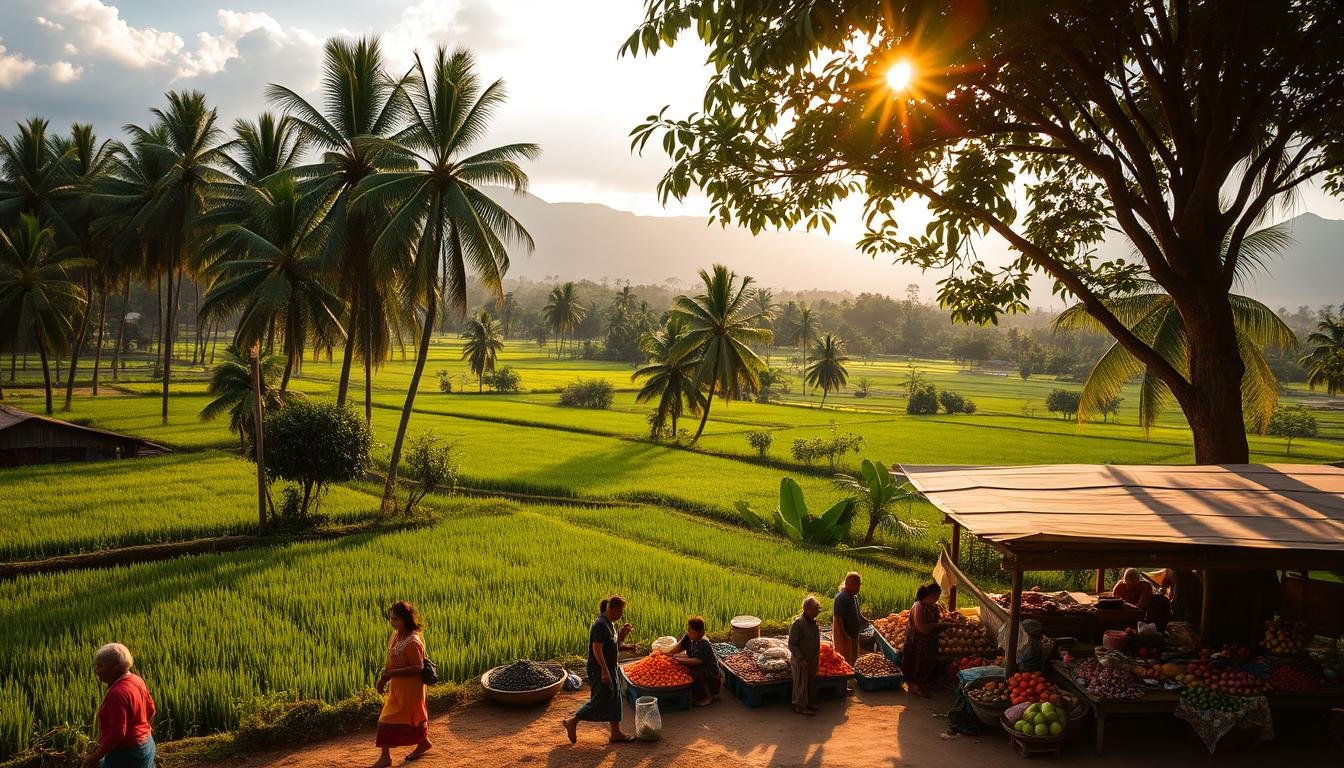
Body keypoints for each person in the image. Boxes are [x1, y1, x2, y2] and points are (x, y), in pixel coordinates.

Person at [563, 595, 639, 745]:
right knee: (601, 699)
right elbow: (597, 649)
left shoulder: (610, 624)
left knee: (615, 700)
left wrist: (624, 640)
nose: (621, 615)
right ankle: (573, 721)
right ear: (611, 608)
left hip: (610, 667)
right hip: (599, 669)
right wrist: (604, 670)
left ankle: (615, 733)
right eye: (620, 611)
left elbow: (611, 646)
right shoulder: (600, 625)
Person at [371, 601, 431, 768]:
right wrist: (383, 680)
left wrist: (391, 674)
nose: (392, 622)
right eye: (391, 618)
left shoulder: (413, 641)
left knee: (388, 719)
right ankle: (424, 743)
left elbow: (417, 668)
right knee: (411, 717)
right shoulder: (397, 635)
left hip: (411, 688)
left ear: (405, 619)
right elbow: (391, 661)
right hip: (398, 687)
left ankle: (385, 757)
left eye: (396, 619)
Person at [85, 643, 155, 768]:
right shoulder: (136, 679)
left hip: (129, 754)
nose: (97, 670)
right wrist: (142, 731)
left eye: (100, 666)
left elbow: (118, 733)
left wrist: (95, 756)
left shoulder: (117, 693)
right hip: (147, 745)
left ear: (116, 666)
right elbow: (151, 709)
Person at [901, 582, 951, 697]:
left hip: (930, 641)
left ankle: (924, 683)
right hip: (917, 642)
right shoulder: (918, 606)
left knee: (928, 662)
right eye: (937, 597)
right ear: (931, 595)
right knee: (918, 663)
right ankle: (915, 686)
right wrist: (938, 625)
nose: (937, 599)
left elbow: (935, 622)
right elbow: (921, 627)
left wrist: (944, 624)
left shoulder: (933, 607)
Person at [672, 616, 721, 707]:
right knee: (682, 669)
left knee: (694, 674)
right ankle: (696, 694)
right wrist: (666, 654)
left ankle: (709, 696)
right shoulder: (690, 639)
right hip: (699, 665)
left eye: (691, 631)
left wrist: (677, 659)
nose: (689, 632)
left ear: (701, 633)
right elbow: (677, 650)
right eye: (689, 630)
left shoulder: (703, 642)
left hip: (710, 670)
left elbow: (697, 661)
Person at [788, 596, 823, 716]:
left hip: (812, 658)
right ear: (807, 609)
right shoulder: (798, 623)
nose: (818, 611)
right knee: (801, 683)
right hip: (801, 659)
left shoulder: (813, 623)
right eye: (816, 608)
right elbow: (792, 644)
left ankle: (808, 703)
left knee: (809, 682)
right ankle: (800, 706)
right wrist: (800, 658)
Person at [832, 572, 868, 670]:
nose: (859, 587)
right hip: (845, 632)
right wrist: (844, 635)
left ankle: (852, 671)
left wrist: (864, 619)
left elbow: (857, 612)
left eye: (859, 585)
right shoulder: (841, 598)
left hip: (853, 632)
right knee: (844, 656)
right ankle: (844, 675)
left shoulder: (854, 596)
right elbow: (838, 619)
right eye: (857, 585)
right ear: (850, 585)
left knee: (854, 654)